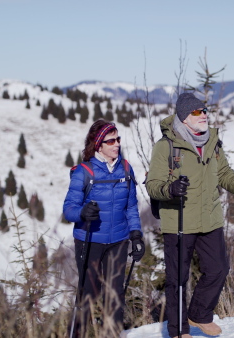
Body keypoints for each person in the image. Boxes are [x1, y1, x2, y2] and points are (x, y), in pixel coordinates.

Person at [145, 93, 234, 338]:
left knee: (218, 269)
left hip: (210, 218)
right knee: (178, 280)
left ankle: (199, 315)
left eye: (204, 110)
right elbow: (153, 184)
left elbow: (224, 173)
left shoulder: (212, 142)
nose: (203, 115)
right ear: (184, 117)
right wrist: (170, 189)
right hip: (179, 221)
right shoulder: (166, 146)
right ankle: (178, 331)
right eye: (197, 112)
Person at [63, 119, 145, 337]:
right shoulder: (84, 172)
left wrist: (136, 235)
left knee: (115, 295)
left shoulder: (126, 169)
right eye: (111, 141)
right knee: (88, 293)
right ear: (98, 145)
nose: (117, 144)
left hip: (118, 240)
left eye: (118, 139)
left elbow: (131, 207)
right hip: (89, 240)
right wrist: (82, 213)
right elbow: (68, 208)